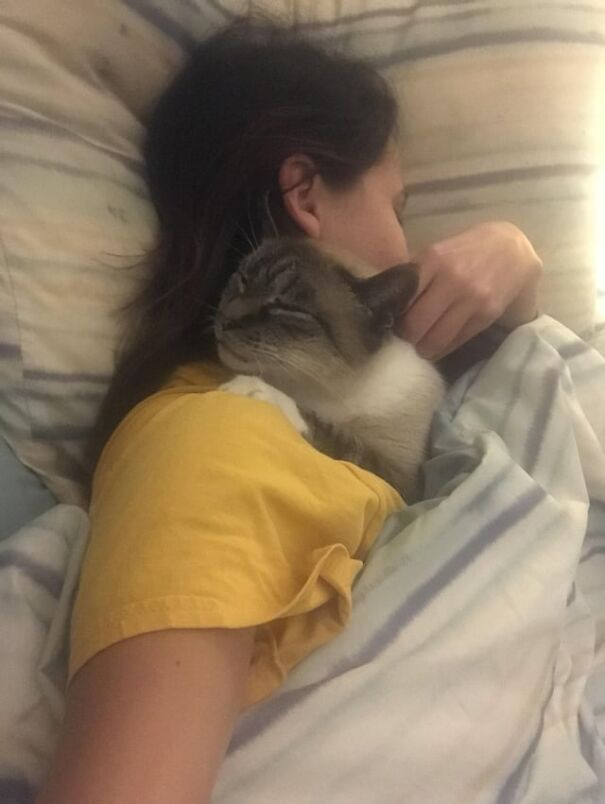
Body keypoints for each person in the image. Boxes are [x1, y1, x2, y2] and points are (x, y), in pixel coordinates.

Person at [37, 17, 542, 804]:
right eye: (396, 206)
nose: (405, 245)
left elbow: (532, 389)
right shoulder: (218, 434)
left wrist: (513, 255)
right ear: (305, 193)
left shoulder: (320, 405)